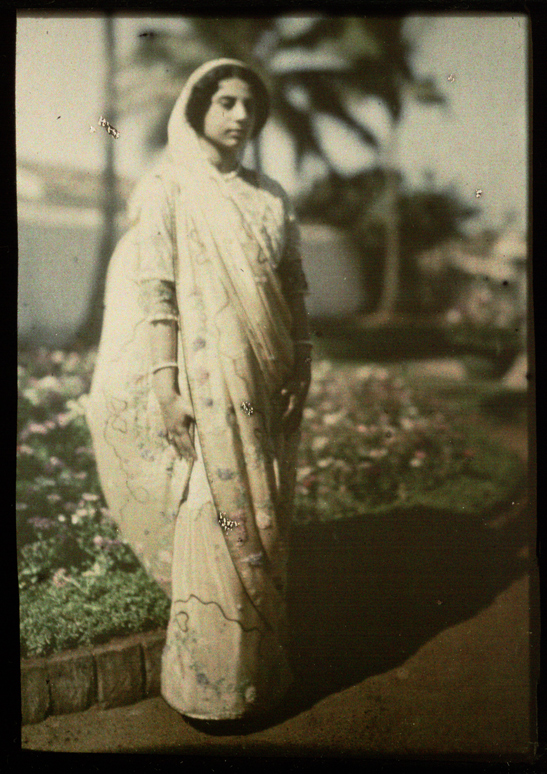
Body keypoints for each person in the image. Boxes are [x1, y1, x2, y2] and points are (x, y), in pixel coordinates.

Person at [86, 59, 311, 721]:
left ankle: (260, 676)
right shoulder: (170, 187)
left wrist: (301, 366)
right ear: (197, 107)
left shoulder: (271, 197)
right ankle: (209, 688)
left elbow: (293, 290)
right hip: (205, 386)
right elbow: (156, 292)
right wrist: (166, 388)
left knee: (267, 515)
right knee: (212, 516)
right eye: (226, 102)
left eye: (250, 106)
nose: (240, 116)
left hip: (266, 381)